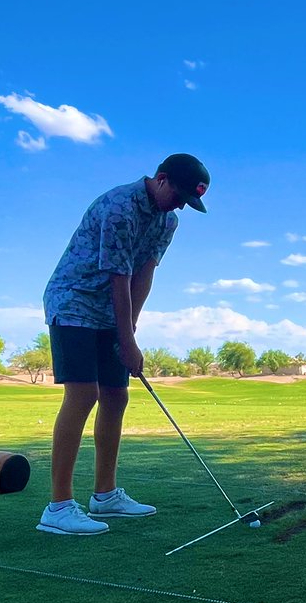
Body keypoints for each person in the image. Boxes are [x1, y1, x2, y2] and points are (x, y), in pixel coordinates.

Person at [37, 154, 210, 535]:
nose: (180, 205)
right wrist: (127, 341)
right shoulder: (119, 207)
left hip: (110, 313)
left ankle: (106, 495)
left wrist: (129, 329)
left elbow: (144, 274)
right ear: (161, 179)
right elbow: (119, 276)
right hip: (75, 300)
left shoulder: (169, 220)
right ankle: (59, 506)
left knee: (117, 395)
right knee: (83, 395)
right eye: (179, 195)